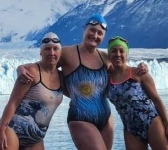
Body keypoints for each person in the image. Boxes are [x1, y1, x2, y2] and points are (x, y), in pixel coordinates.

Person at [17, 14, 147, 150]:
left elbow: (123, 73)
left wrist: (142, 67)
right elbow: (44, 66)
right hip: (80, 118)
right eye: (92, 30)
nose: (95, 35)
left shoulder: (105, 58)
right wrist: (20, 68)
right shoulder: (68, 53)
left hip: (106, 118)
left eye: (100, 33)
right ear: (84, 29)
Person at [0, 32, 63, 150]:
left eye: (55, 49)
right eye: (47, 49)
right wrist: (0, 130)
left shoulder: (62, 78)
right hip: (12, 131)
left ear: (60, 52)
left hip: (36, 140)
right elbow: (13, 103)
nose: (51, 53)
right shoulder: (31, 72)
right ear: (41, 52)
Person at [106, 36, 168, 150]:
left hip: (151, 122)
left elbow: (156, 99)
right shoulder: (107, 79)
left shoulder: (138, 72)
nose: (118, 54)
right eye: (114, 51)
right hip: (130, 130)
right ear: (109, 55)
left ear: (126, 54)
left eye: (121, 51)